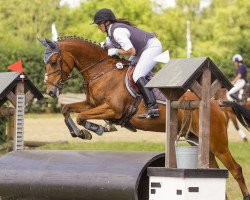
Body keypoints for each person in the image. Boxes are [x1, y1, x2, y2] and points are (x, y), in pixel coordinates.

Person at [92, 8, 162, 119]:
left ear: (107, 22)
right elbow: (109, 44)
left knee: (137, 75)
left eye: (99, 23)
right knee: (126, 71)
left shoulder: (117, 31)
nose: (98, 26)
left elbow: (131, 51)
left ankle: (153, 108)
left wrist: (116, 51)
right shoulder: (110, 33)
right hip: (142, 50)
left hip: (152, 47)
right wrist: (103, 46)